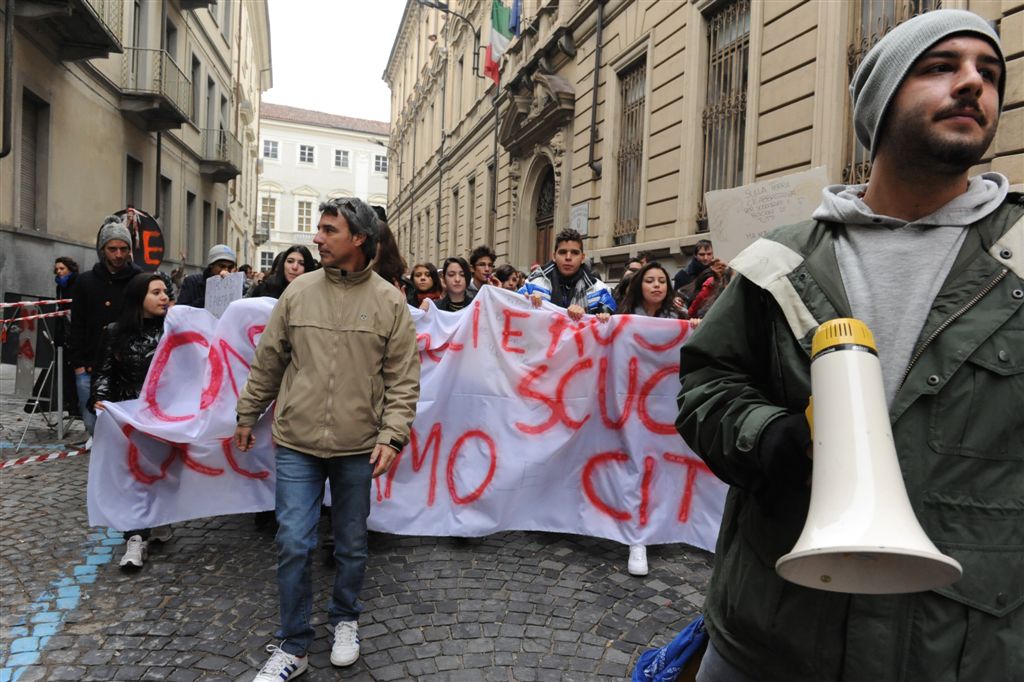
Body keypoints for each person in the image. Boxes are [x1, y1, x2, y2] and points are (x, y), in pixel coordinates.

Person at [677, 11, 1018, 681]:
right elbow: (705, 388)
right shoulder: (780, 257)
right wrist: (768, 438)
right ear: (881, 98)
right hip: (772, 641)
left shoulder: (1020, 257)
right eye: (942, 66)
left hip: (966, 652)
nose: (974, 83)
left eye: (990, 72)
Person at [234, 197, 419, 680]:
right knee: (293, 541)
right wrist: (246, 414)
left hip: (359, 448)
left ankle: (345, 619)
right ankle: (293, 645)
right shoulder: (297, 294)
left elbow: (403, 381)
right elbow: (269, 360)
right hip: (297, 443)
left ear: (358, 238)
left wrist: (392, 436)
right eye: (318, 229)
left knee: (352, 545)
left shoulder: (389, 302)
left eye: (327, 230)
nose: (316, 238)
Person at [90, 273, 173, 568]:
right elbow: (103, 372)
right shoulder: (114, 332)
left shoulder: (172, 332)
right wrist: (100, 400)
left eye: (166, 291)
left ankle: (160, 518)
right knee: (133, 479)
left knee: (161, 473)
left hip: (163, 417)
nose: (164, 297)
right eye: (156, 292)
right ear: (139, 298)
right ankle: (135, 539)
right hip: (126, 418)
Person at [615, 262, 683, 577]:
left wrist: (695, 328)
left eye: (662, 281)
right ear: (639, 284)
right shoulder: (622, 318)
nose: (657, 285)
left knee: (659, 467)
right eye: (650, 280)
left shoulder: (678, 321)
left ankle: (657, 525)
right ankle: (637, 537)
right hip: (627, 406)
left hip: (663, 410)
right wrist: (602, 323)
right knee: (635, 467)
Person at [67, 216, 143, 438]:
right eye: (112, 249)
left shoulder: (139, 279)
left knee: (125, 429)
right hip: (89, 366)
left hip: (127, 368)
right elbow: (77, 324)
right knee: (92, 424)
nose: (118, 255)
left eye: (123, 249)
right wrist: (78, 364)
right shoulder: (85, 281)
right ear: (103, 249)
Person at [520, 228, 616, 321]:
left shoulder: (600, 291)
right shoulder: (532, 286)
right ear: (554, 256)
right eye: (563, 252)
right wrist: (526, 302)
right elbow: (513, 312)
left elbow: (611, 325)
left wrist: (586, 316)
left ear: (582, 258)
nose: (568, 257)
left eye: (574, 253)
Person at [248, 246, 317, 299]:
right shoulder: (264, 289)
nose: (294, 267)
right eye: (290, 261)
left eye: (302, 264)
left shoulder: (314, 295)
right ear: (282, 264)